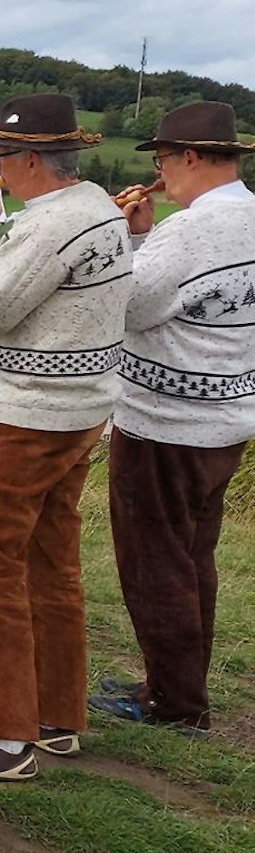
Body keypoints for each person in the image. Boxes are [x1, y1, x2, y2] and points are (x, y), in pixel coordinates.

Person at [0, 93, 133, 781]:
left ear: (26, 159)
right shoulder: (97, 209)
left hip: (24, 413)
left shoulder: (47, 224)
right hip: (80, 408)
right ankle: (56, 717)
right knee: (50, 563)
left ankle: (5, 737)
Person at [91, 101, 255, 733]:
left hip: (166, 421)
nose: (160, 172)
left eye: (161, 159)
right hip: (227, 415)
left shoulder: (190, 231)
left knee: (153, 562)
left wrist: (124, 236)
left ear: (189, 157)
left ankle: (175, 704)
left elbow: (129, 307)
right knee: (192, 559)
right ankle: (175, 681)